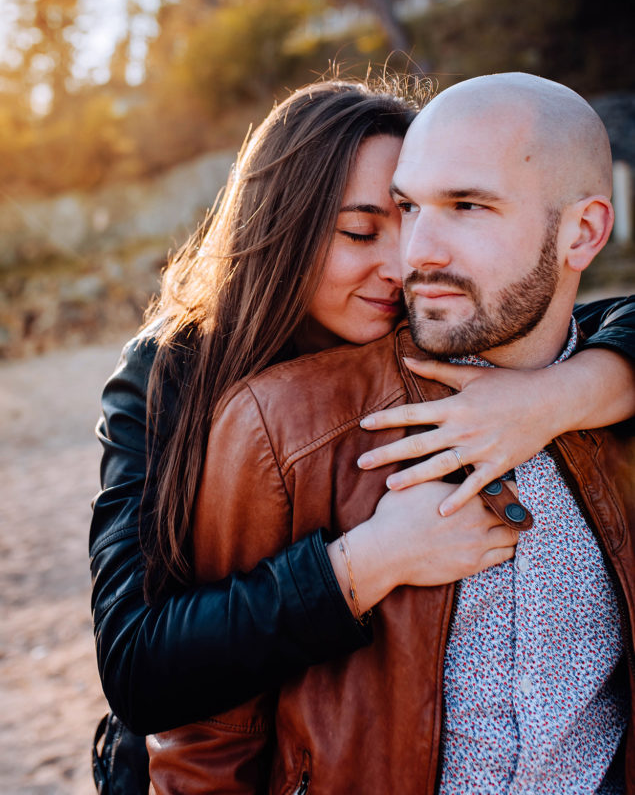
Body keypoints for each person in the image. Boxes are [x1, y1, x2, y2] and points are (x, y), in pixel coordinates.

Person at [146, 72, 635, 794]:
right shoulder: (275, 425)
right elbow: (206, 738)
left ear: (583, 232)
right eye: (407, 207)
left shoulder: (617, 407)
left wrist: (566, 394)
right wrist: (363, 562)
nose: (417, 253)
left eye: (467, 206)